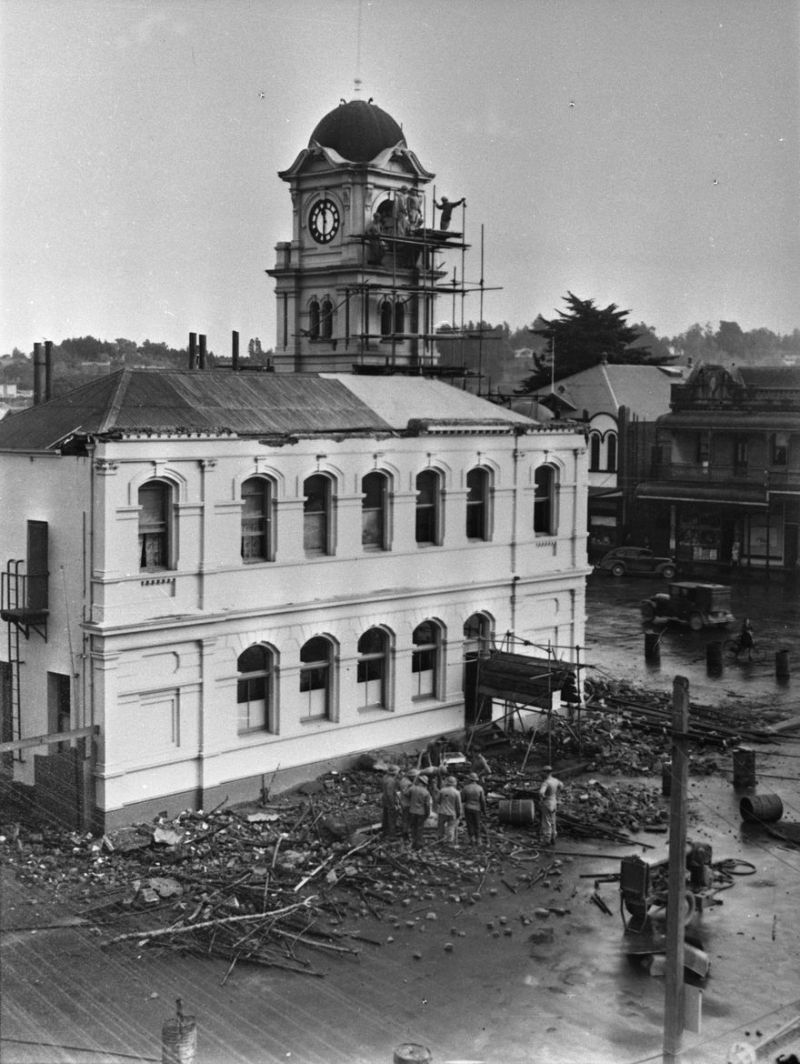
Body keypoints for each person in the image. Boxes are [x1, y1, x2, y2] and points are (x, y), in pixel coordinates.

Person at [538, 765, 563, 846]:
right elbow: (561, 786)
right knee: (553, 821)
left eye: (543, 772)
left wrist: (542, 798)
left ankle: (547, 840)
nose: (542, 774)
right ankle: (553, 838)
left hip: (547, 803)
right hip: (554, 802)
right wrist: (557, 793)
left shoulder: (546, 782)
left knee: (546, 822)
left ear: (546, 773)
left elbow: (541, 792)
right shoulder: (555, 780)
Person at [461, 772, 487, 845]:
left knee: (470, 824)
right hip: (477, 808)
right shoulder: (480, 788)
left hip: (468, 807)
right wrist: (484, 811)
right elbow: (482, 801)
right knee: (477, 824)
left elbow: (462, 799)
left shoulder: (465, 788)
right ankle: (478, 840)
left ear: (469, 779)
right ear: (476, 780)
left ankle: (472, 839)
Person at [408, 773, 432, 850]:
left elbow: (406, 794)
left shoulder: (412, 788)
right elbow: (427, 805)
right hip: (421, 813)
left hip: (412, 811)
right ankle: (419, 844)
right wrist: (427, 813)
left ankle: (413, 843)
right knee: (420, 828)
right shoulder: (426, 792)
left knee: (413, 827)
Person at [437, 775, 463, 846]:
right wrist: (459, 814)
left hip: (442, 811)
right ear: (455, 783)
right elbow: (458, 805)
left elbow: (438, 801)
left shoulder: (442, 790)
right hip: (452, 812)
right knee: (451, 827)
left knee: (440, 827)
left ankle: (440, 840)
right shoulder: (457, 792)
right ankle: (449, 841)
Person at [380, 764, 400, 840]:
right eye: (398, 771)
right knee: (392, 817)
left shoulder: (385, 777)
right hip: (389, 800)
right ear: (394, 772)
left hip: (384, 799)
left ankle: (385, 832)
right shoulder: (391, 781)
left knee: (385, 816)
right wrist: (392, 804)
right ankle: (392, 835)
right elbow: (389, 794)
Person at [397, 768, 413, 844]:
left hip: (405, 803)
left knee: (406, 819)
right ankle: (405, 834)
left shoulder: (405, 780)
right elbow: (407, 793)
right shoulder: (406, 783)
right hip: (406, 804)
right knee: (406, 819)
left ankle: (406, 832)